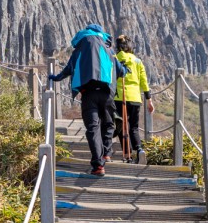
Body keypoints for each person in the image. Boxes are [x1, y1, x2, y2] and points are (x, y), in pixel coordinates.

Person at [49, 23, 127, 176]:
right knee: (108, 123)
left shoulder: (81, 46)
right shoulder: (109, 48)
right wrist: (125, 68)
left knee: (93, 128)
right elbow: (121, 71)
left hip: (88, 93)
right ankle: (107, 153)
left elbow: (69, 69)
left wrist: (55, 78)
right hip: (107, 93)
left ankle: (98, 165)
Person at [113, 35, 155, 164]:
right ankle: (140, 149)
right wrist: (149, 99)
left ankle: (128, 153)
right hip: (136, 98)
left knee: (121, 126)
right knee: (134, 127)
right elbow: (144, 81)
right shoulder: (138, 61)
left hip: (119, 97)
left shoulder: (114, 59)